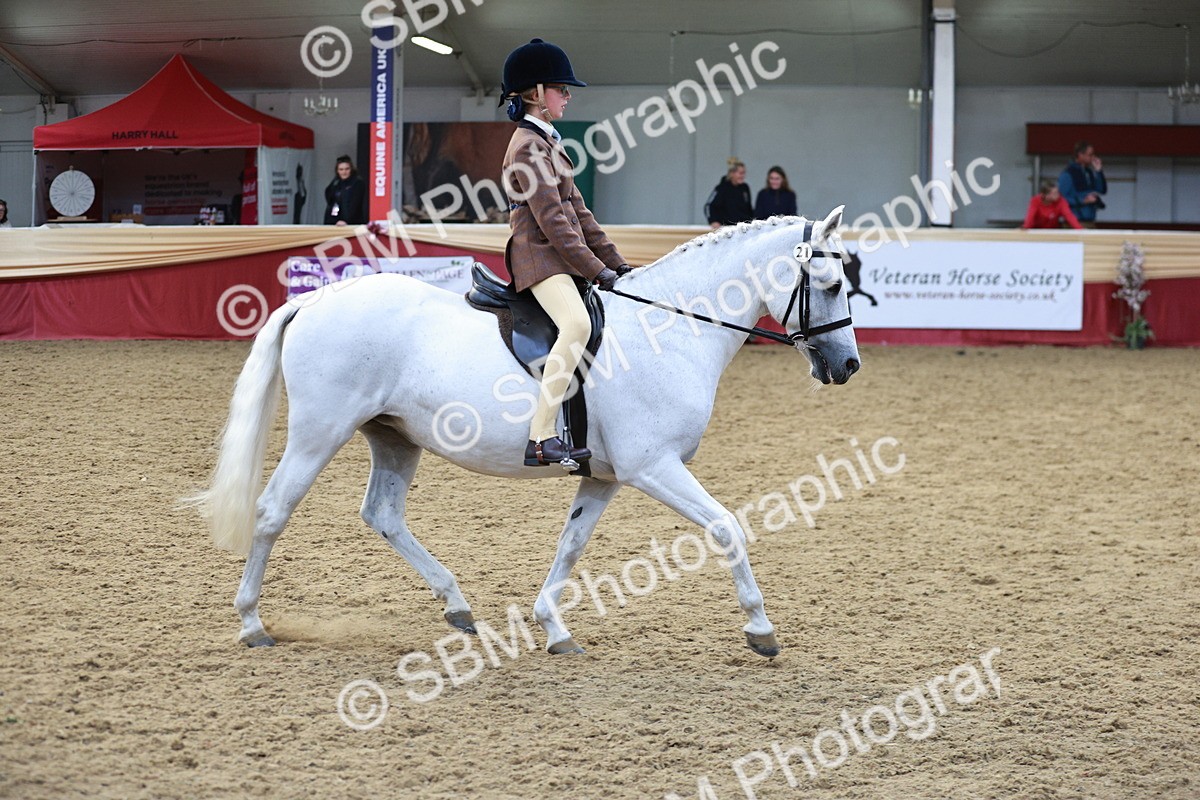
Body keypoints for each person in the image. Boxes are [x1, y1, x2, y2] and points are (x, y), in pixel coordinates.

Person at [499, 38, 632, 468]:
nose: (568, 96)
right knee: (574, 324)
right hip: (537, 257)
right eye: (562, 88)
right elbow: (555, 224)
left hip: (556, 255)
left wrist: (618, 264)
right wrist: (596, 271)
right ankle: (539, 437)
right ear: (536, 93)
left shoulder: (549, 142)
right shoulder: (527, 146)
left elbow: (580, 213)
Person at [1057, 141, 1106, 226]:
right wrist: (1083, 201)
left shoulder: (1089, 172)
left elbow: (1101, 190)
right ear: (1080, 155)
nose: (1093, 157)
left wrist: (1098, 171)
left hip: (1090, 220)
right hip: (1074, 221)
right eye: (1090, 155)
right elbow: (1062, 198)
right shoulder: (1068, 173)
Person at [705, 158, 754, 228]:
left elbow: (749, 209)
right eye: (740, 173)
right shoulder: (721, 188)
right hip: (726, 229)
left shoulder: (745, 188)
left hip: (743, 229)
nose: (742, 176)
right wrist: (713, 221)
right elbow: (708, 206)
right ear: (732, 173)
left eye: (744, 173)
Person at [323, 156, 367, 226]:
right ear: (337, 171)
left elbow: (355, 205)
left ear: (351, 169)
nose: (344, 172)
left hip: (352, 224)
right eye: (341, 169)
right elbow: (330, 201)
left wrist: (346, 221)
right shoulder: (336, 183)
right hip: (334, 223)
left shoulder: (357, 183)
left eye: (347, 169)